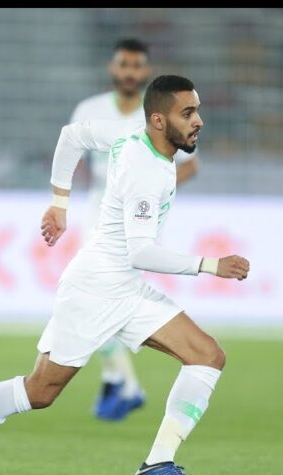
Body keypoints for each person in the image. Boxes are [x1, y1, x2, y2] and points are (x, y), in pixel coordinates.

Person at [0, 76, 249, 475]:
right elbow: (141, 253)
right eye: (187, 113)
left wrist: (60, 202)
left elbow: (72, 136)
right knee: (39, 392)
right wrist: (210, 265)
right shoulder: (144, 172)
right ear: (157, 119)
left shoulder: (132, 135)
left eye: (197, 110)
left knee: (207, 355)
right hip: (94, 291)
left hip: (126, 290)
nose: (198, 120)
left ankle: (158, 463)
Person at [69, 38, 200, 421]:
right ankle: (119, 381)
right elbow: (74, 153)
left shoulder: (158, 113)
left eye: (136, 66)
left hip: (136, 220)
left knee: (97, 300)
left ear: (145, 71)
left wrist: (148, 184)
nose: (129, 72)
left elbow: (192, 165)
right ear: (113, 69)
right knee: (95, 300)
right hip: (95, 214)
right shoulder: (89, 109)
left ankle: (122, 382)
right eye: (123, 65)